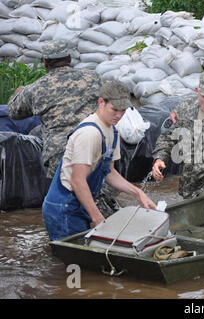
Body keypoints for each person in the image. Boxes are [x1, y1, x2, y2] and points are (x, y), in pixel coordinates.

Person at [42, 80, 156, 241]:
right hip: (64, 207)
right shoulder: (89, 133)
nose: (118, 115)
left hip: (80, 204)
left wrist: (138, 193)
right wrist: (97, 218)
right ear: (101, 102)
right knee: (73, 259)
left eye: (123, 110)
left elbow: (109, 172)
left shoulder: (112, 131)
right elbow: (77, 181)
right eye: (114, 109)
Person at [8, 39, 102, 179]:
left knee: (65, 195)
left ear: (45, 62)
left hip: (61, 154)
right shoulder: (93, 77)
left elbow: (13, 112)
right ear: (69, 58)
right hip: (93, 147)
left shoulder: (37, 88)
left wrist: (18, 93)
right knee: (97, 192)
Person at [151, 72, 204, 199]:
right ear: (197, 91)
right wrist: (160, 159)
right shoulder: (185, 108)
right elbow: (167, 136)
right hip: (188, 184)